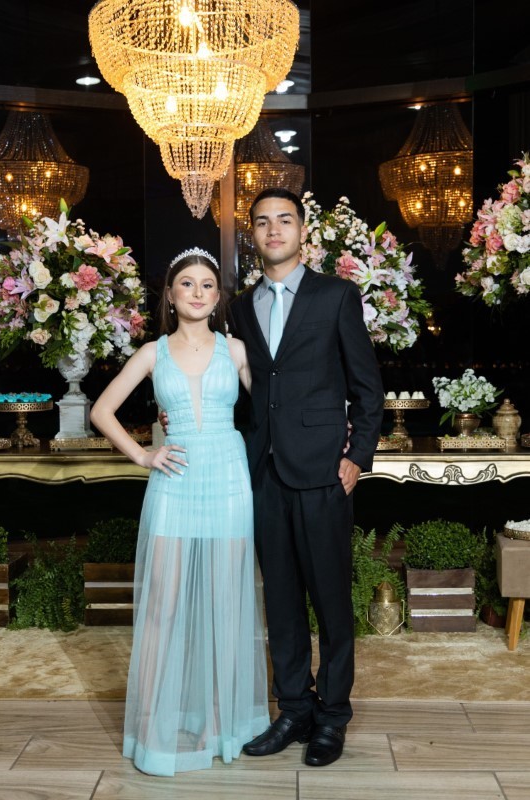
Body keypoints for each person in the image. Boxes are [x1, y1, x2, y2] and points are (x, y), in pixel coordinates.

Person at [90, 248, 269, 777]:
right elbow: (102, 411)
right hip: (174, 481)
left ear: (218, 298)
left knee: (226, 604)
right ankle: (153, 731)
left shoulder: (236, 350)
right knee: (162, 607)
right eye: (186, 283)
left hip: (229, 479)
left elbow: (271, 409)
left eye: (207, 285)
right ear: (170, 294)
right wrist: (144, 454)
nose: (197, 292)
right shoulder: (152, 353)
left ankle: (219, 724)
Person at [229, 188, 384, 767]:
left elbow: (367, 388)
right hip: (264, 472)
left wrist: (357, 457)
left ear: (302, 231)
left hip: (323, 471)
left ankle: (333, 716)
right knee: (282, 600)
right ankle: (294, 708)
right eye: (262, 222)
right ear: (252, 234)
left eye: (284, 220)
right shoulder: (239, 307)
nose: (273, 230)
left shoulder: (336, 295)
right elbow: (248, 393)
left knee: (331, 600)